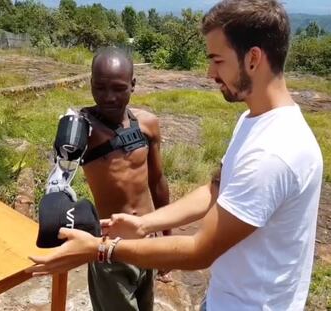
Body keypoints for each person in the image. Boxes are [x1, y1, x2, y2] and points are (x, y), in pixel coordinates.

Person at [27, 1, 323, 310]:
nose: (210, 72)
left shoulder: (274, 152)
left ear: (252, 59)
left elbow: (199, 251)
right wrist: (144, 224)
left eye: (217, 60)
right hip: (228, 297)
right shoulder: (253, 121)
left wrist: (101, 249)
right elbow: (214, 191)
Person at [44, 47, 172, 311]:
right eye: (100, 87)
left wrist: (167, 237)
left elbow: (158, 182)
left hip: (147, 239)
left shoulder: (147, 124)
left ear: (133, 85)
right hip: (109, 247)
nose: (109, 97)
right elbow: (58, 184)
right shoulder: (81, 130)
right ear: (91, 83)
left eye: (118, 88)